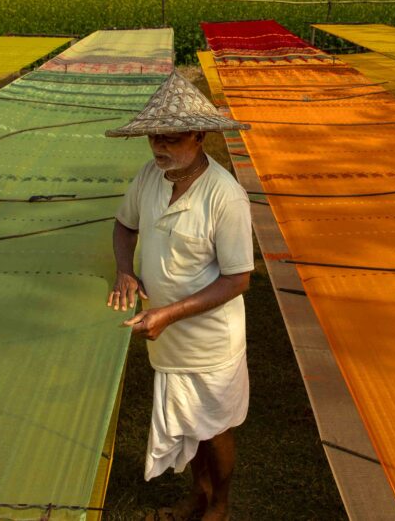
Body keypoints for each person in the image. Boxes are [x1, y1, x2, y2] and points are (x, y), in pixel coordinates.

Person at [105, 70, 254, 521]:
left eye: (170, 139)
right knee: (191, 422)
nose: (159, 149)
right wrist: (125, 271)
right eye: (154, 139)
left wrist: (170, 312)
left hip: (210, 341)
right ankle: (198, 494)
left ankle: (220, 505)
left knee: (215, 428)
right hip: (167, 334)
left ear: (200, 135)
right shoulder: (150, 177)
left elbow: (237, 280)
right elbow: (124, 225)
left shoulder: (224, 197)